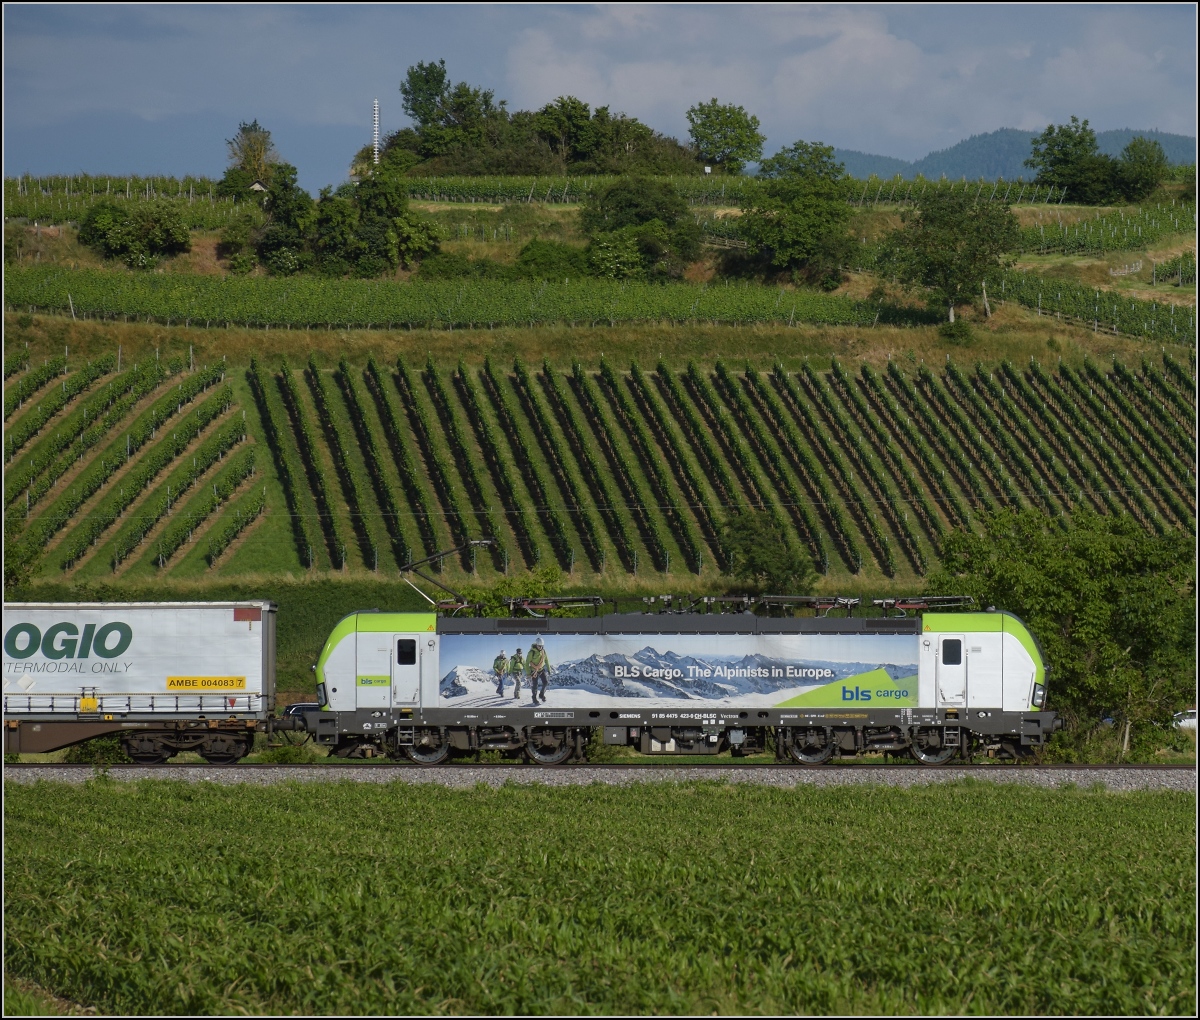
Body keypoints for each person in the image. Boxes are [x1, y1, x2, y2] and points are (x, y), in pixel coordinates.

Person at [527, 636, 551, 705]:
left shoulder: (543, 651)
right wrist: (528, 673)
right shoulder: (531, 652)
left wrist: (549, 669)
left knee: (545, 682)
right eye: (539, 646)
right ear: (536, 645)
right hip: (534, 671)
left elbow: (546, 660)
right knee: (535, 685)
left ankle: (541, 694)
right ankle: (534, 698)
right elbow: (527, 663)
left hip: (541, 669)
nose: (540, 647)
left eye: (541, 646)